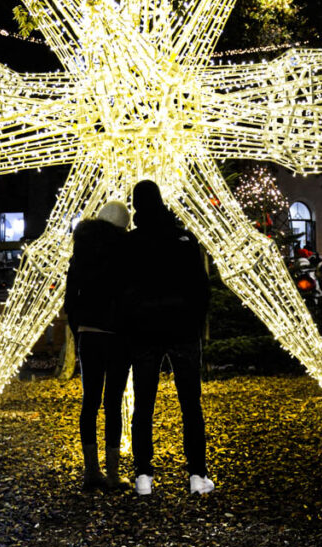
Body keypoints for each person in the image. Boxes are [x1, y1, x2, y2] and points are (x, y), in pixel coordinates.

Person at [123, 179, 212, 496]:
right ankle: (197, 475)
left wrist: (133, 320)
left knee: (143, 404)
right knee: (191, 404)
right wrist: (194, 320)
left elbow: (123, 289)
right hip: (182, 330)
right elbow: (201, 288)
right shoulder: (184, 239)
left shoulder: (130, 243)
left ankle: (144, 475)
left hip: (145, 331)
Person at [64, 200, 131, 491]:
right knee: (113, 402)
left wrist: (78, 329)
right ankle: (114, 473)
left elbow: (70, 297)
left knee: (89, 401)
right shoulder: (126, 250)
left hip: (89, 332)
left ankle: (91, 471)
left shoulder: (81, 251)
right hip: (118, 333)